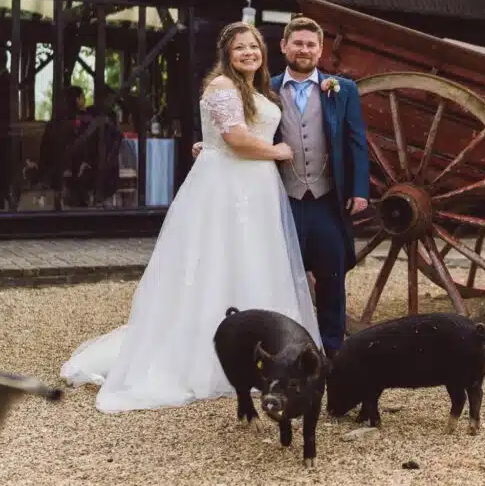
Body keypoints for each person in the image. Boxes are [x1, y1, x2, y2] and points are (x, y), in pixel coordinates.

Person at [60, 22, 321, 413]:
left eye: (253, 46)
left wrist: (211, 145)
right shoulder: (222, 87)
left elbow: (222, 136)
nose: (248, 53)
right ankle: (207, 356)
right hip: (228, 186)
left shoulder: (255, 90)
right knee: (215, 262)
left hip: (256, 188)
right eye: (239, 49)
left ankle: (262, 351)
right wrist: (279, 152)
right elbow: (233, 138)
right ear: (226, 55)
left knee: (254, 260)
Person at [193, 16, 369, 355]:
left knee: (332, 276)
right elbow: (237, 126)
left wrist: (360, 189)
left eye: (311, 44)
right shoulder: (262, 87)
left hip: (326, 198)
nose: (304, 50)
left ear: (320, 50)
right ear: (284, 46)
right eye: (298, 43)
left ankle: (332, 351)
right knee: (279, 277)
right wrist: (209, 145)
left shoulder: (342, 90)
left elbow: (356, 140)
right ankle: (284, 350)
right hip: (279, 197)